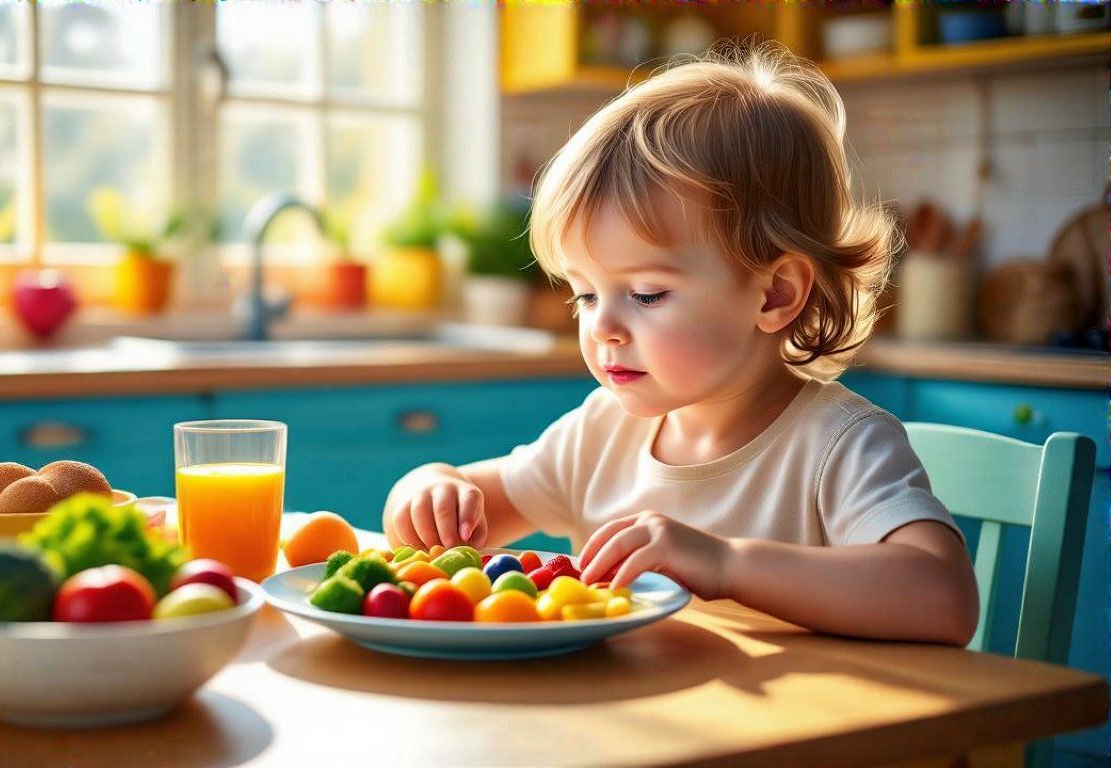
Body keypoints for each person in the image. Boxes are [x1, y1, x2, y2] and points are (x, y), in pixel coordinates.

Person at [382, 42, 978, 645]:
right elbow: (454, 516)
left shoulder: (838, 445)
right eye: (586, 294)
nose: (601, 327)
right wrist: (428, 488)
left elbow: (944, 598)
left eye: (645, 294)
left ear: (774, 296)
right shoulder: (599, 433)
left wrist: (726, 564)